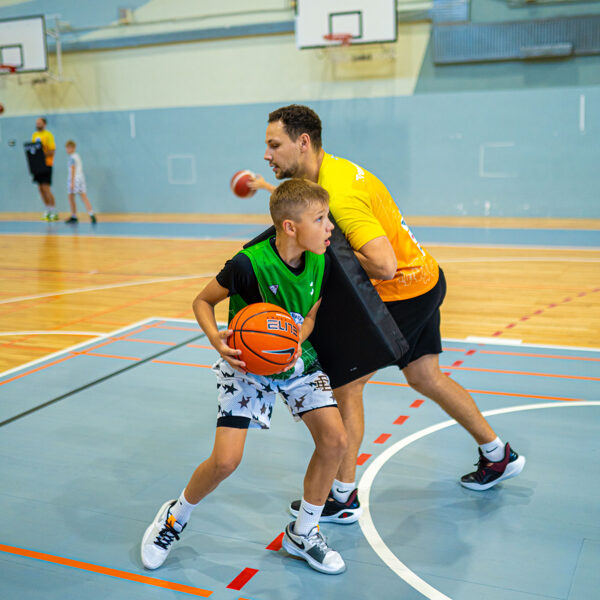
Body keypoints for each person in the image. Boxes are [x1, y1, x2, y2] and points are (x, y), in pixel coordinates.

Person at [249, 104, 526, 524]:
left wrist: (326, 253)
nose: (267, 155)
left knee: (347, 384)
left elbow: (383, 265)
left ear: (303, 143)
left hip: (402, 291)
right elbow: (309, 212)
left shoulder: (340, 195)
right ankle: (497, 454)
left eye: (274, 145)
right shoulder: (328, 172)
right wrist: (264, 188)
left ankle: (341, 496)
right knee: (424, 376)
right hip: (426, 279)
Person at [141, 179, 348, 575]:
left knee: (335, 441)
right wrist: (217, 341)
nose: (329, 228)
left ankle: (304, 532)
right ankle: (173, 517)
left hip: (294, 359)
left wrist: (294, 341)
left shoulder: (321, 258)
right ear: (290, 227)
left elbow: (312, 312)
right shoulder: (247, 264)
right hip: (245, 365)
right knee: (225, 461)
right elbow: (202, 301)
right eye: (320, 219)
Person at [31, 117, 58, 221]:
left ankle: (53, 210)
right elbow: (33, 150)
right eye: (36, 123)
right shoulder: (35, 135)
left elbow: (52, 150)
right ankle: (47, 210)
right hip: (37, 166)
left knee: (46, 188)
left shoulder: (48, 135)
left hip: (47, 164)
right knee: (40, 189)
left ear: (44, 124)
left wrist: (41, 156)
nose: (37, 124)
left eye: (39, 123)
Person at [64, 140, 97, 224]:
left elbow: (73, 169)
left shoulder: (72, 158)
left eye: (68, 148)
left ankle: (74, 216)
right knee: (83, 196)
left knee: (71, 197)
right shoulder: (77, 156)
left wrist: (72, 182)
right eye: (66, 148)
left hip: (75, 179)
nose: (67, 150)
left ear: (73, 148)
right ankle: (91, 213)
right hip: (81, 178)